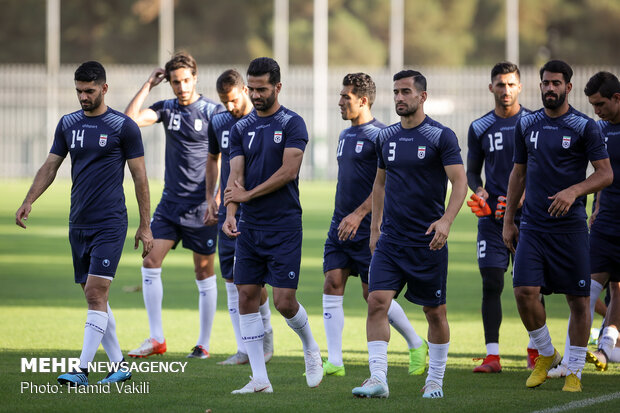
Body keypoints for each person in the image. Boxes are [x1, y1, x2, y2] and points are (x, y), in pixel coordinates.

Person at [15, 61, 153, 386]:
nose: (83, 96)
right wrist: (28, 199)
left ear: (104, 88)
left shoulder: (123, 127)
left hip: (110, 222)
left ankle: (81, 370)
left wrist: (145, 225)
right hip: (78, 223)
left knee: (95, 292)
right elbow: (51, 165)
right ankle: (119, 365)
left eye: (89, 90)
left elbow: (140, 178)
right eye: (78, 90)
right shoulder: (68, 124)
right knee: (97, 299)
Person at [351, 70, 467, 399]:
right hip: (390, 241)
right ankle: (378, 379)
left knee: (435, 313)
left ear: (422, 97)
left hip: (427, 241)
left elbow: (460, 182)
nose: (399, 97)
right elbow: (380, 183)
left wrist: (446, 221)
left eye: (406, 92)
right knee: (376, 302)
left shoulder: (440, 136)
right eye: (396, 92)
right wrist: (374, 229)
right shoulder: (385, 137)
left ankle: (435, 380)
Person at [502, 60, 612, 392]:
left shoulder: (585, 126)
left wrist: (574, 191)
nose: (551, 88)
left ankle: (575, 370)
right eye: (546, 83)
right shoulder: (527, 124)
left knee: (579, 301)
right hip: (533, 227)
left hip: (571, 229)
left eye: (557, 83)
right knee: (523, 291)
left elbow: (605, 173)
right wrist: (508, 220)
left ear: (568, 87)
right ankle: (547, 354)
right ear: (540, 87)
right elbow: (518, 173)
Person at [223, 57, 323, 393]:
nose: (255, 94)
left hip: (283, 225)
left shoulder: (293, 123)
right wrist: (231, 213)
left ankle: (310, 346)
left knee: (283, 302)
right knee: (246, 296)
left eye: (262, 88)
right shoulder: (240, 129)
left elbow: (288, 173)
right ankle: (260, 379)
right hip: (250, 227)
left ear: (277, 87)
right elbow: (235, 177)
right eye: (251, 88)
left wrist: (249, 195)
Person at [322, 72, 427, 378]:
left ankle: (415, 342)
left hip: (369, 228)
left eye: (346, 97)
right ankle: (336, 361)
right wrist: (345, 215)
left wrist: (360, 215)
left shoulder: (382, 135)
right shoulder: (344, 136)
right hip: (339, 225)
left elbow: (386, 184)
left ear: (363, 100)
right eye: (341, 95)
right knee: (332, 282)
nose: (340, 102)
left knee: (374, 296)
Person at [124, 52, 224, 359]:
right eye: (175, 82)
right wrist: (148, 86)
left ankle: (203, 344)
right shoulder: (166, 108)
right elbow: (128, 122)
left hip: (201, 207)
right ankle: (157, 339)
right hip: (170, 204)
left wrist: (216, 198)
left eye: (185, 81)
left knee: (204, 272)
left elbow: (225, 157)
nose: (180, 87)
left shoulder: (213, 111)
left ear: (195, 78)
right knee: (150, 262)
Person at [466, 62, 539, 373]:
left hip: (530, 217)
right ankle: (493, 355)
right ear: (491, 87)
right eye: (499, 84)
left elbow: (541, 166)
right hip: (493, 219)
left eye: (510, 84)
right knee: (492, 281)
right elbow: (471, 170)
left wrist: (525, 195)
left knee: (532, 286)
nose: (505, 90)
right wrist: (479, 190)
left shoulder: (535, 123)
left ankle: (536, 350)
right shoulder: (479, 127)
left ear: (519, 87)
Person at [205, 69, 273, 365]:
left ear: (245, 91)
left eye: (233, 100)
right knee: (231, 280)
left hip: (257, 209)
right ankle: (244, 348)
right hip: (228, 210)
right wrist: (211, 195)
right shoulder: (218, 121)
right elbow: (212, 159)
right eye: (224, 101)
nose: (229, 107)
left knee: (254, 284)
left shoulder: (258, 122)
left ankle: (265, 331)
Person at [583, 71, 620, 371]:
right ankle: (577, 355)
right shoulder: (599, 130)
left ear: (617, 98)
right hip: (605, 222)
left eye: (600, 104)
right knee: (587, 286)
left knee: (619, 287)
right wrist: (596, 206)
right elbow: (600, 173)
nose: (596, 111)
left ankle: (607, 346)